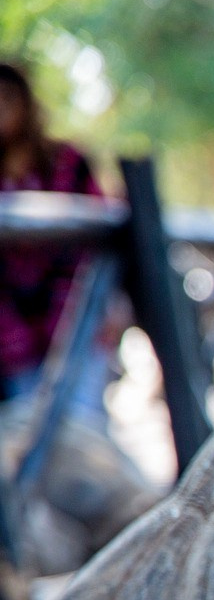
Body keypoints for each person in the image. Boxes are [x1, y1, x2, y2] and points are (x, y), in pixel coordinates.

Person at [0, 62, 105, 403]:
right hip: (9, 338)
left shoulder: (68, 163)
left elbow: (102, 240)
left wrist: (110, 306)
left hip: (75, 321)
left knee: (78, 428)